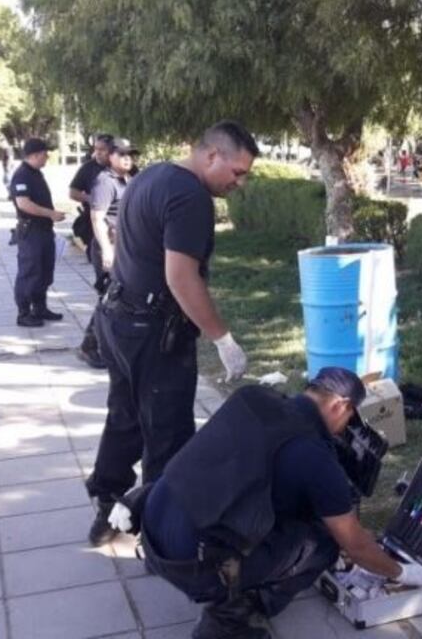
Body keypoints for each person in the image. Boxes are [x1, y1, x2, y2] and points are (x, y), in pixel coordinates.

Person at [134, 367, 422, 639]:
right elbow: (354, 546)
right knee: (326, 542)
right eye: (350, 417)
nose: (346, 427)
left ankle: (221, 579)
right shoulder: (315, 455)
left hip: (151, 530)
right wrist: (403, 573)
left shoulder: (253, 399)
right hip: (192, 566)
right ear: (340, 405)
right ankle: (225, 621)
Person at [85, 120, 257, 546]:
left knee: (124, 418)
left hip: (118, 319)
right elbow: (181, 278)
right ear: (211, 155)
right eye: (237, 172)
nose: (239, 183)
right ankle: (162, 534)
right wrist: (222, 338)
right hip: (153, 332)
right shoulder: (190, 196)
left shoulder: (151, 176)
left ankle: (108, 507)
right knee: (167, 434)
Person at [75, 138, 137, 369]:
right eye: (121, 154)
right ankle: (89, 346)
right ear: (110, 156)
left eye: (130, 154)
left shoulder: (127, 179)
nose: (127, 158)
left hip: (125, 247)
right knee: (110, 297)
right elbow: (97, 217)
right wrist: (107, 251)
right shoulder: (105, 181)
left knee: (117, 297)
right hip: (108, 247)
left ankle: (109, 344)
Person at [9, 138, 66, 328]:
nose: (47, 156)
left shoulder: (36, 173)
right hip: (31, 231)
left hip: (44, 230)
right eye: (44, 153)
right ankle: (24, 313)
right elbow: (23, 203)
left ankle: (40, 308)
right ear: (34, 155)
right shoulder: (22, 175)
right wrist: (51, 213)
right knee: (30, 272)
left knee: (44, 271)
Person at [69, 134, 114, 264]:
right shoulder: (88, 168)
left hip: (119, 221)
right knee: (100, 261)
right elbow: (73, 192)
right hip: (95, 220)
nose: (97, 153)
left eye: (102, 149)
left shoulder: (123, 166)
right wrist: (92, 198)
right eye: (96, 149)